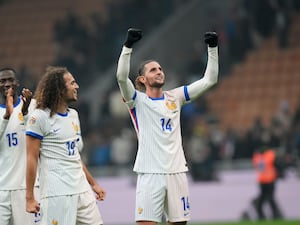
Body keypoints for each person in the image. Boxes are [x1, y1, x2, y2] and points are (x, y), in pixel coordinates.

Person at [116, 28, 219, 225]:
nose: (159, 72)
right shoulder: (137, 100)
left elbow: (210, 80)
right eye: (153, 70)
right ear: (142, 80)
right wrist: (127, 46)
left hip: (176, 172)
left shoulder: (176, 97)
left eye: (161, 69)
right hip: (149, 173)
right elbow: (121, 77)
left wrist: (212, 49)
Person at [25, 66, 105, 225]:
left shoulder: (74, 115)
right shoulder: (39, 117)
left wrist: (93, 183)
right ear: (60, 89)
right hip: (57, 193)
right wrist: (29, 197)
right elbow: (31, 158)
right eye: (72, 83)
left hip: (82, 190)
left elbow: (74, 156)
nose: (77, 86)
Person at [0, 68, 40, 225]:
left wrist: (25, 114)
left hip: (26, 188)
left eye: (10, 80)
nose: (7, 84)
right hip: (2, 187)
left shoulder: (33, 105)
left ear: (17, 83)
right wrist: (6, 118)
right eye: (3, 81)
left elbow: (38, 138)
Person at [252, 144, 283, 220]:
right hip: (268, 179)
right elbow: (277, 165)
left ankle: (263, 216)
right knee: (269, 199)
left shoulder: (257, 157)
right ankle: (274, 216)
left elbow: (257, 166)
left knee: (265, 199)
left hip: (264, 180)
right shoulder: (271, 155)